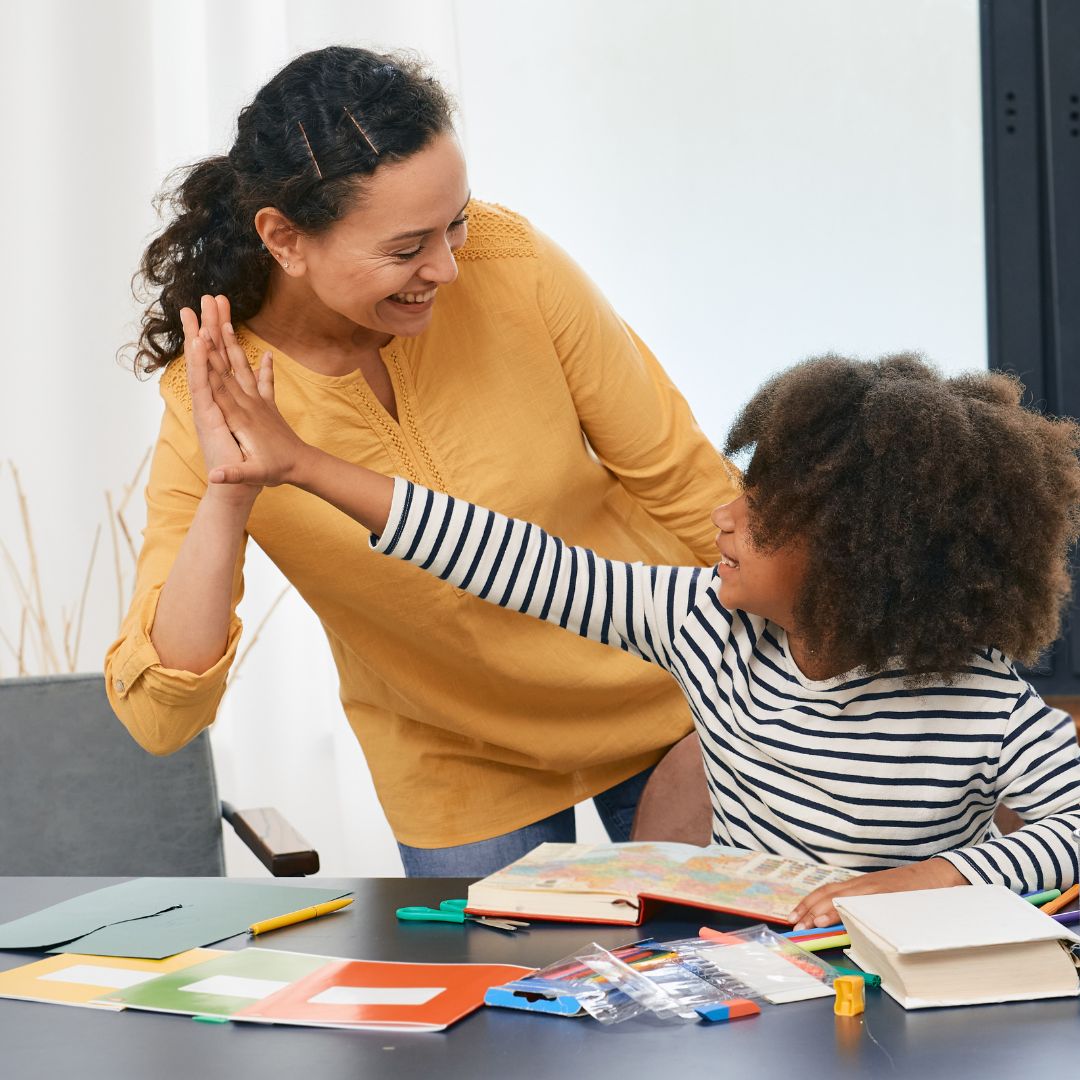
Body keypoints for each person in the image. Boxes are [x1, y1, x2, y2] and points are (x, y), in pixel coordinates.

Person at [105, 45, 739, 875]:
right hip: (456, 759)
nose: (446, 267)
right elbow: (162, 716)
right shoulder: (218, 394)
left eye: (456, 222)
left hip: (668, 698)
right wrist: (230, 494)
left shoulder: (510, 264)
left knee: (728, 982)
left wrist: (783, 692)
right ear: (284, 238)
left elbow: (688, 483)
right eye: (406, 249)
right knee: (498, 1005)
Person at [191, 336, 1080, 925]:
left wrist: (920, 882)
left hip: (893, 993)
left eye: (761, 510)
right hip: (741, 982)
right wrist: (303, 464)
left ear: (861, 557)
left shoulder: (980, 700)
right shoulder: (705, 625)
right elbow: (510, 557)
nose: (723, 518)